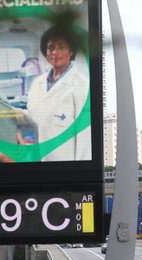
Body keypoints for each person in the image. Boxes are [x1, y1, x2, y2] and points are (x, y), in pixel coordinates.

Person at [26, 24, 90, 162]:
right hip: (39, 161)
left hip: (65, 166)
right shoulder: (38, 83)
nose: (55, 52)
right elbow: (33, 116)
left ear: (71, 51)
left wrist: (80, 172)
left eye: (61, 47)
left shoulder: (81, 84)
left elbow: (85, 135)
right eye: (51, 47)